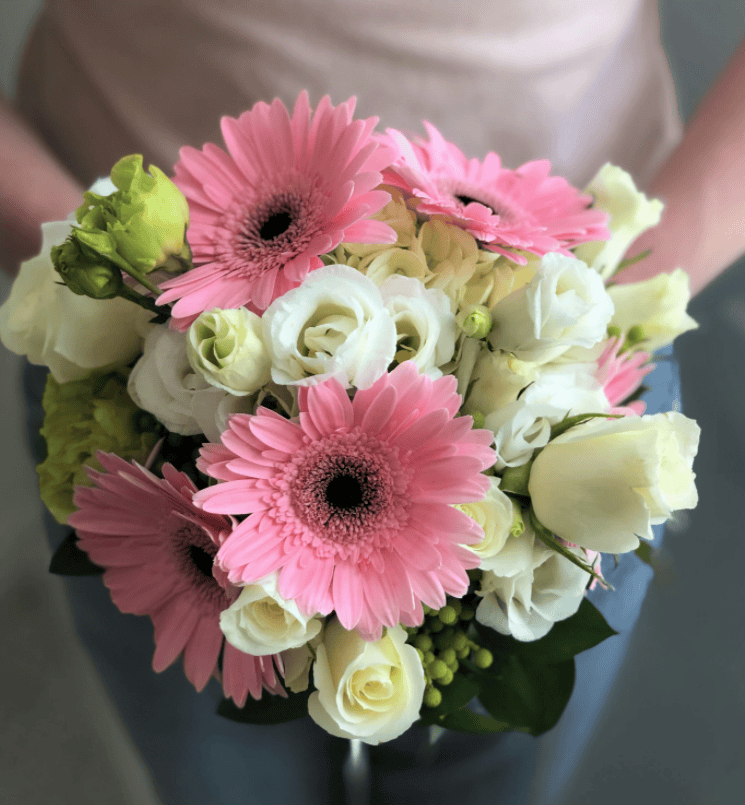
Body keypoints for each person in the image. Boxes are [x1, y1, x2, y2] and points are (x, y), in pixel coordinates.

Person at [1, 2, 743, 803]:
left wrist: (614, 298)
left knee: (494, 779)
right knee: (215, 780)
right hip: (141, 332)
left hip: (566, 338)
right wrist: (106, 275)